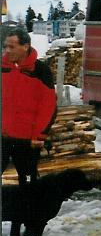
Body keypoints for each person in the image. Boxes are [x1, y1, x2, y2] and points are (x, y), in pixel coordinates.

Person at [1, 28, 57, 187]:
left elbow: (48, 107)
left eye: (12, 46)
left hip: (26, 139)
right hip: (2, 136)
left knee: (27, 181)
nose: (7, 50)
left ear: (25, 46)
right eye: (6, 46)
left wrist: (39, 135)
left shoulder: (40, 71)